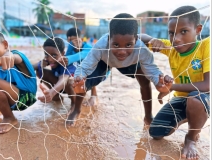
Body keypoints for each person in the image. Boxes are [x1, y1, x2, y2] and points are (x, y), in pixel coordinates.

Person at [67, 13, 173, 127]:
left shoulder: (141, 49)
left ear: (136, 40)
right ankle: (76, 110)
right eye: (116, 45)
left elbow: (152, 69)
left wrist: (159, 82)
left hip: (130, 62)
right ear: (109, 39)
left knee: (144, 79)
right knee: (83, 82)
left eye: (128, 45)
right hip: (106, 61)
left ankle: (148, 116)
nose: (122, 51)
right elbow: (85, 66)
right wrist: (78, 77)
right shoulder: (101, 46)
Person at [140, 6, 210, 159]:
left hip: (204, 98)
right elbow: (139, 36)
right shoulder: (171, 48)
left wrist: (171, 88)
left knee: (195, 100)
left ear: (198, 30)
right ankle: (188, 116)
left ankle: (191, 138)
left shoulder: (206, 46)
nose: (176, 38)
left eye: (183, 31)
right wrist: (153, 40)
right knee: (156, 132)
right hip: (182, 98)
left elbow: (207, 86)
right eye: (171, 33)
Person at [58, 27, 103, 107]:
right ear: (68, 40)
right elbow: (67, 61)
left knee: (89, 68)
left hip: (98, 70)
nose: (76, 43)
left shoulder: (88, 47)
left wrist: (69, 58)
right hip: (81, 70)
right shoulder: (70, 47)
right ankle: (77, 96)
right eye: (73, 41)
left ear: (81, 39)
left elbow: (84, 54)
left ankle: (93, 96)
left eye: (77, 40)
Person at [33, 37, 76, 112]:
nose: (50, 59)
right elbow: (30, 67)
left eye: (54, 55)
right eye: (46, 54)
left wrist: (52, 92)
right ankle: (57, 96)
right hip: (59, 87)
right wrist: (40, 64)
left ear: (63, 53)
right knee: (40, 71)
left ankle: (74, 103)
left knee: (69, 81)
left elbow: (63, 79)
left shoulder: (67, 63)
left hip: (74, 88)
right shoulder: (48, 60)